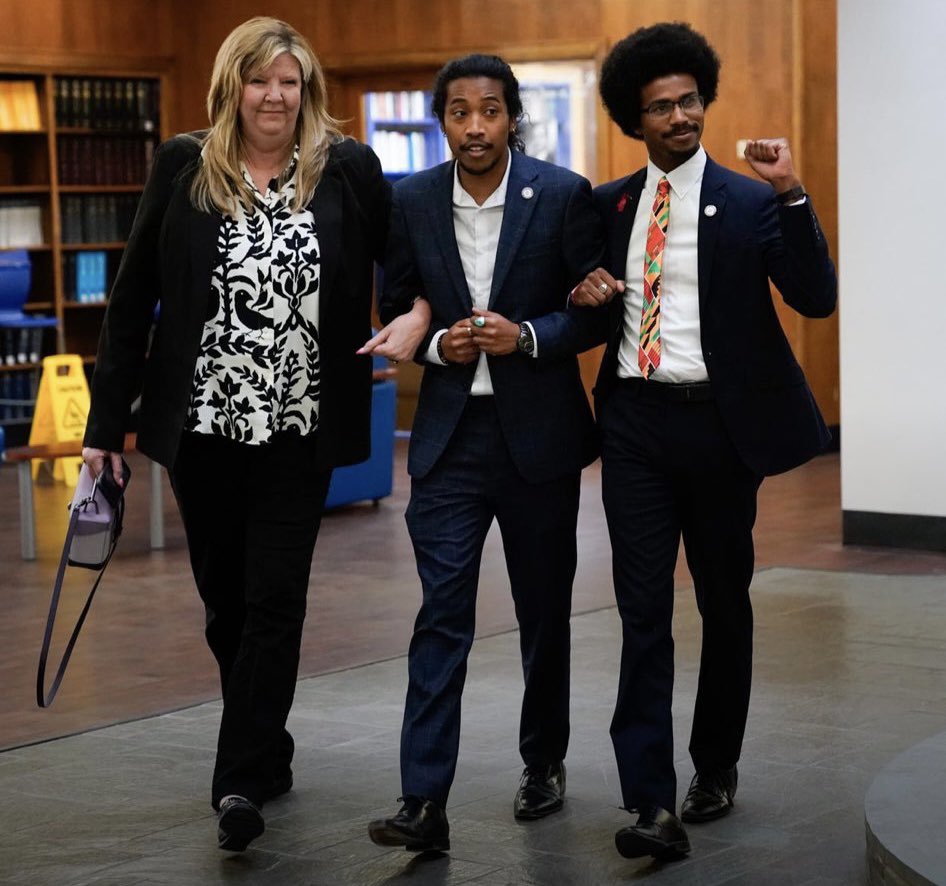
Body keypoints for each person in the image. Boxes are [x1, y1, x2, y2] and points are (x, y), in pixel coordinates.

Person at [81, 16, 430, 852]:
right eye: (259, 79)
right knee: (227, 604)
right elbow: (132, 305)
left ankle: (237, 781)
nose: (275, 96)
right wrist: (103, 431)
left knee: (275, 597)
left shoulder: (346, 168)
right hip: (200, 428)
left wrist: (417, 310)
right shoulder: (183, 164)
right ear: (231, 85)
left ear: (306, 89)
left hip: (297, 429)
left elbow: (403, 253)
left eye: (290, 81)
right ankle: (266, 749)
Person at [570, 23, 837, 861]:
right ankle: (649, 800)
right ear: (633, 117)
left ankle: (713, 764)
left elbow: (816, 297)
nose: (680, 116)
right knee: (643, 609)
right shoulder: (608, 204)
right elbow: (580, 308)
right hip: (637, 424)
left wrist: (793, 193)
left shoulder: (752, 200)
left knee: (724, 602)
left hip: (721, 429)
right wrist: (586, 292)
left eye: (689, 101)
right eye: (661, 107)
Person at [364, 54, 604, 853]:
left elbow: (594, 311)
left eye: (491, 111)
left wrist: (528, 335)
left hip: (539, 440)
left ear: (512, 119)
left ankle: (544, 763)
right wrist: (438, 345)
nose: (476, 127)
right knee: (442, 616)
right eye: (461, 112)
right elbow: (398, 305)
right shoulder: (411, 200)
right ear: (444, 120)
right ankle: (423, 798)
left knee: (543, 613)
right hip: (449, 443)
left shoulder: (562, 194)